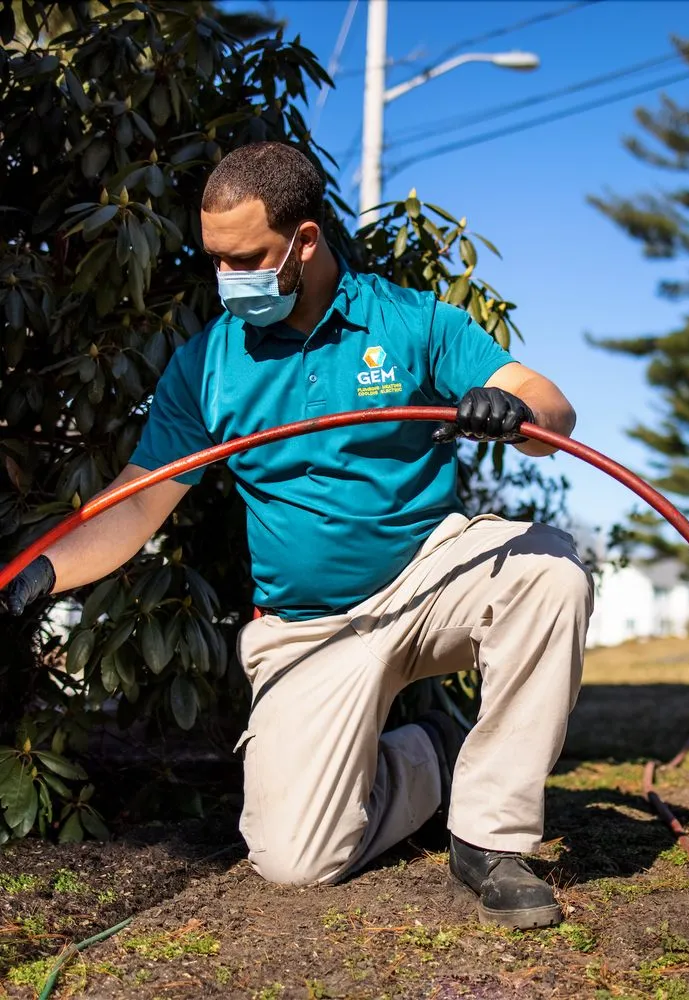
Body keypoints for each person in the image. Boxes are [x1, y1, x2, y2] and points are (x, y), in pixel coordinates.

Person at [0, 142, 593, 930]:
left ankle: (488, 839)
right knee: (295, 862)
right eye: (216, 259)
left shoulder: (409, 321)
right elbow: (135, 507)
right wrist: (36, 574)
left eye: (245, 257)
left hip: (428, 579)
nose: (226, 278)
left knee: (550, 570)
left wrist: (517, 414)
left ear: (305, 241)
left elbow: (544, 400)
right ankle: (431, 755)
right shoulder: (209, 362)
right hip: (307, 627)